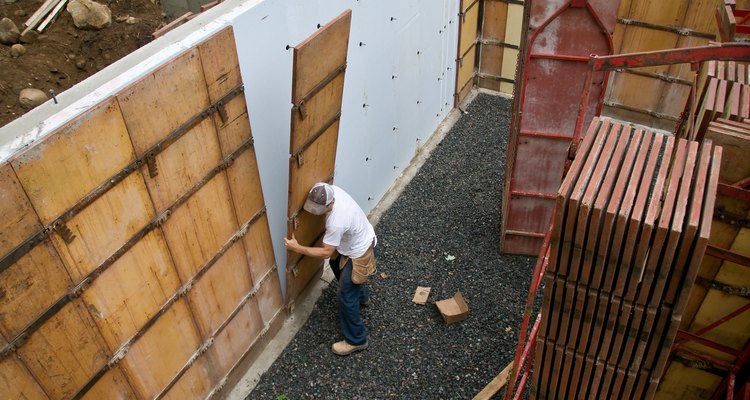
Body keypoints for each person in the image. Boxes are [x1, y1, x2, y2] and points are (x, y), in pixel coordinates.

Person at [284, 182, 377, 356]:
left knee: (346, 295)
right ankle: (362, 297)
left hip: (360, 251)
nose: (315, 212)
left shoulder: (337, 221)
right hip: (348, 244)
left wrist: (297, 248)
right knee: (337, 266)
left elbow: (326, 252)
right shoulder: (324, 188)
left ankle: (357, 340)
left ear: (331, 203)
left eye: (319, 209)